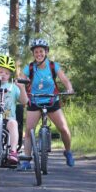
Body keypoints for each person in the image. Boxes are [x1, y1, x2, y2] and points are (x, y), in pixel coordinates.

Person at [20, 38, 75, 170]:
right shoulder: (30, 67)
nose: (39, 54)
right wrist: (22, 82)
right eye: (36, 52)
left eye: (41, 51)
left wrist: (69, 89)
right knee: (28, 131)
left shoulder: (53, 66)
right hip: (34, 101)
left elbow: (64, 79)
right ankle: (27, 161)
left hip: (52, 101)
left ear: (46, 52)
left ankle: (67, 151)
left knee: (64, 129)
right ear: (33, 54)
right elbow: (21, 79)